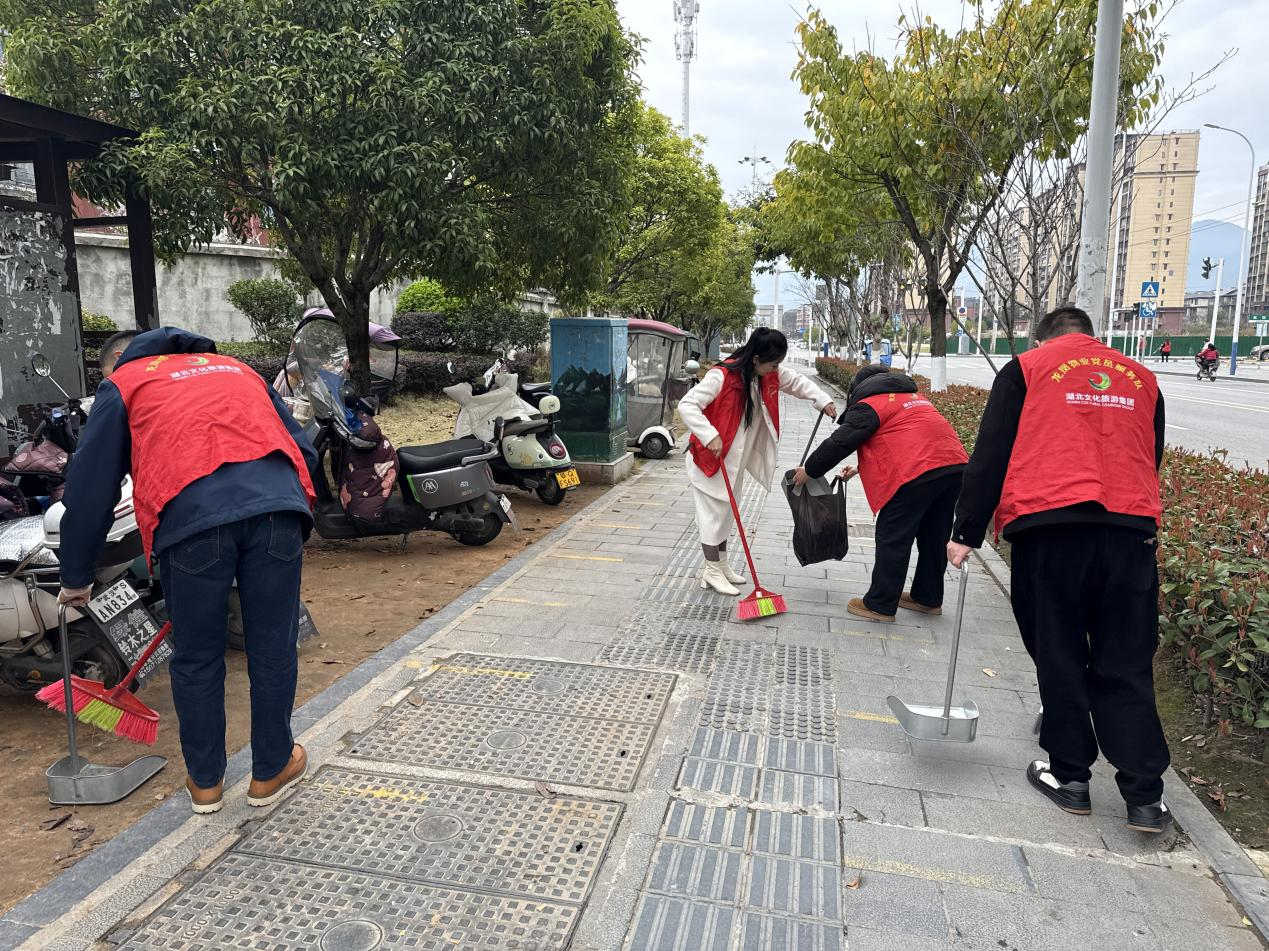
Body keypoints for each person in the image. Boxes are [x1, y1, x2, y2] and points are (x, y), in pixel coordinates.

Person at [57, 328, 318, 816]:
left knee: (198, 657)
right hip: (276, 512)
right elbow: (302, 450)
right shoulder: (239, 369)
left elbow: (90, 488)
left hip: (191, 522)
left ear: (119, 359)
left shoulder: (125, 383)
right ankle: (271, 771)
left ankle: (205, 785)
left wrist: (76, 575)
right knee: (272, 647)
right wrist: (294, 505)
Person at [946, 306, 1171, 834]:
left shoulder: (1026, 369)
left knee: (1060, 652)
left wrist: (965, 532)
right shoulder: (1142, 376)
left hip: (1050, 529)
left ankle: (1071, 778)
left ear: (1043, 339)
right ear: (1092, 337)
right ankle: (1145, 798)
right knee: (1126, 660)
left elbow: (991, 454)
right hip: (1130, 531)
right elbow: (1151, 452)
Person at [790, 366, 968, 622]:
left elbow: (841, 442)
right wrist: (860, 468)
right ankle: (927, 598)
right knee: (934, 535)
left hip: (916, 474)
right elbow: (909, 440)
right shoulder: (914, 399)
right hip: (953, 468)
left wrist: (809, 470)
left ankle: (880, 604)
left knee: (893, 535)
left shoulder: (871, 404)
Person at [680, 328, 836, 595]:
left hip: (735, 461)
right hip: (711, 459)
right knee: (711, 516)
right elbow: (687, 404)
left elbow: (797, 382)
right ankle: (711, 569)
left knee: (727, 513)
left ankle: (721, 566)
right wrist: (709, 435)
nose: (777, 369)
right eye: (774, 364)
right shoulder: (721, 376)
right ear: (756, 359)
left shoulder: (765, 373)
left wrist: (822, 399)